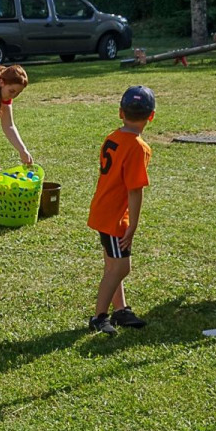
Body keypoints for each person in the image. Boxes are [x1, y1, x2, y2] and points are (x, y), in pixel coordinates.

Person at [87, 86, 155, 336]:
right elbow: (134, 190)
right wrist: (133, 224)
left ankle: (120, 309)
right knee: (120, 268)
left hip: (103, 209)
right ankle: (99, 317)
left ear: (120, 113)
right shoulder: (138, 147)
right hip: (115, 217)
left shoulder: (112, 137)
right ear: (151, 116)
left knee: (112, 264)